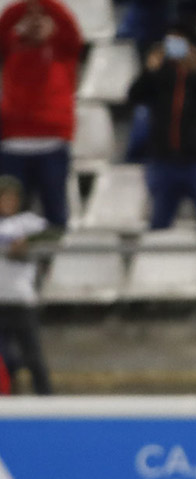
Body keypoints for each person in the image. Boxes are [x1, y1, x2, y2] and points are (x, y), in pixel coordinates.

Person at [128, 24, 196, 241]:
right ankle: (153, 270)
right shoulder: (159, 74)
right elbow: (134, 95)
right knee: (159, 225)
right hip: (163, 160)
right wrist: (149, 69)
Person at [0, 0, 82, 229]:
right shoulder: (10, 48)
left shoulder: (63, 51)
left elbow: (68, 26)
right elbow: (4, 24)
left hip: (52, 144)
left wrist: (44, 5)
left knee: (55, 213)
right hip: (13, 144)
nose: (35, 25)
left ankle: (53, 264)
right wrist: (26, 7)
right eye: (29, 20)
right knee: (9, 218)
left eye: (41, 20)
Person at [0, 176, 52, 395]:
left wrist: (27, 246)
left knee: (33, 357)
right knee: (5, 358)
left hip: (22, 301)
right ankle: (8, 399)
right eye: (4, 198)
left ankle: (47, 402)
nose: (9, 202)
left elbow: (54, 234)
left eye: (13, 198)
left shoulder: (29, 222)